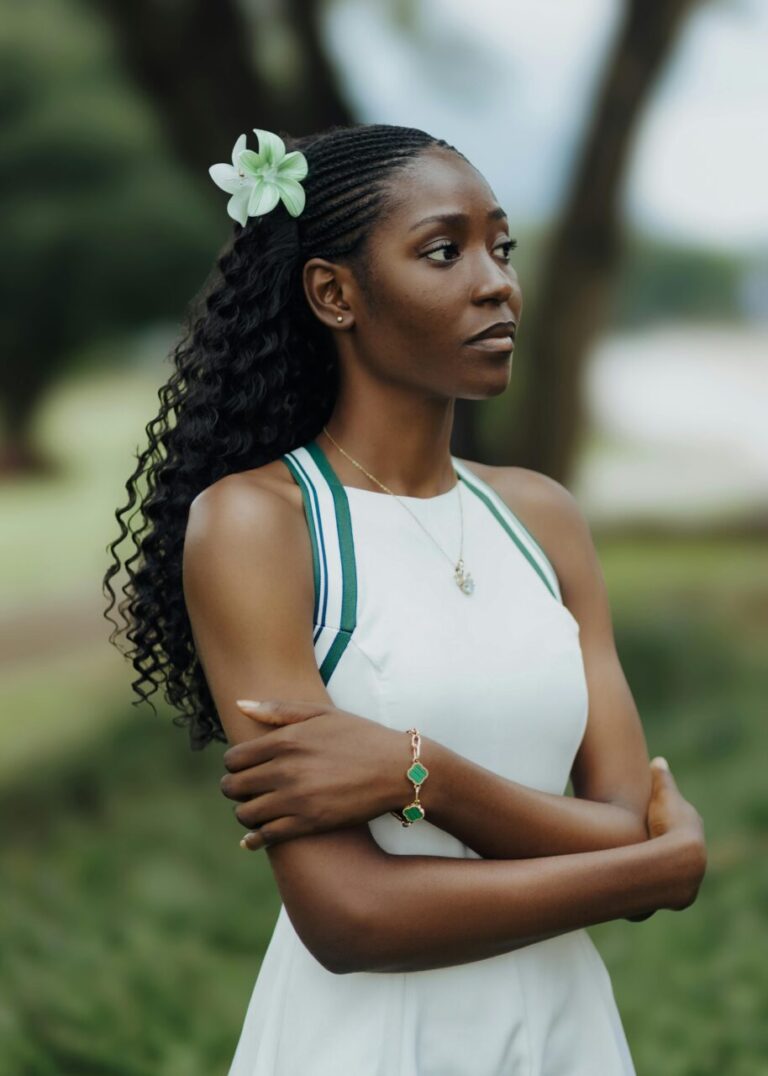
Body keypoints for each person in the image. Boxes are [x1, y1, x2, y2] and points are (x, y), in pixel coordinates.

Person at [104, 122, 707, 1075]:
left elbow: (623, 818)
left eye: (501, 247)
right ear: (334, 294)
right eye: (444, 250)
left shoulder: (542, 518)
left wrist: (416, 775)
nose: (497, 282)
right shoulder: (262, 524)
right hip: (371, 1043)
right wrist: (649, 871)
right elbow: (350, 916)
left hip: (566, 1033)